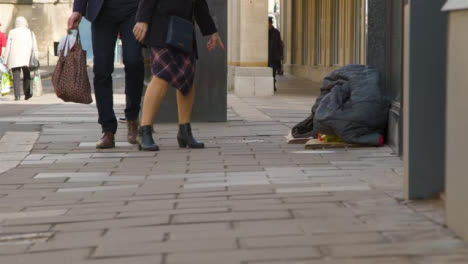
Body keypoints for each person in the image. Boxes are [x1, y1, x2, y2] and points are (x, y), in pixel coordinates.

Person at [133, 0, 224, 151]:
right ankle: (144, 131)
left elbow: (199, 3)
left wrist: (211, 31)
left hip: (183, 28)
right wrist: (142, 19)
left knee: (187, 78)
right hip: (160, 26)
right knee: (162, 75)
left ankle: (184, 131)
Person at [68, 0, 145, 149]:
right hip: (102, 10)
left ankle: (132, 118)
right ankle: (107, 129)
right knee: (102, 69)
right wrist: (78, 9)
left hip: (133, 9)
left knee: (134, 62)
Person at [3, 17, 38, 101]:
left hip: (14, 58)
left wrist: (5, 59)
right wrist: (36, 57)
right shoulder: (30, 32)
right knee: (26, 75)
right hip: (26, 57)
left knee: (16, 76)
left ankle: (17, 95)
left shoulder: (12, 32)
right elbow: (34, 47)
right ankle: (27, 93)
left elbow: (8, 47)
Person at [268, 17, 283, 92]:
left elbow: (279, 44)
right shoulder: (264, 32)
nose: (268, 25)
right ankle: (269, 85)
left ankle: (273, 85)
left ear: (271, 23)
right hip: (267, 56)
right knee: (268, 72)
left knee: (273, 72)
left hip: (274, 56)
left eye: (269, 23)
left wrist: (280, 55)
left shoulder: (276, 32)